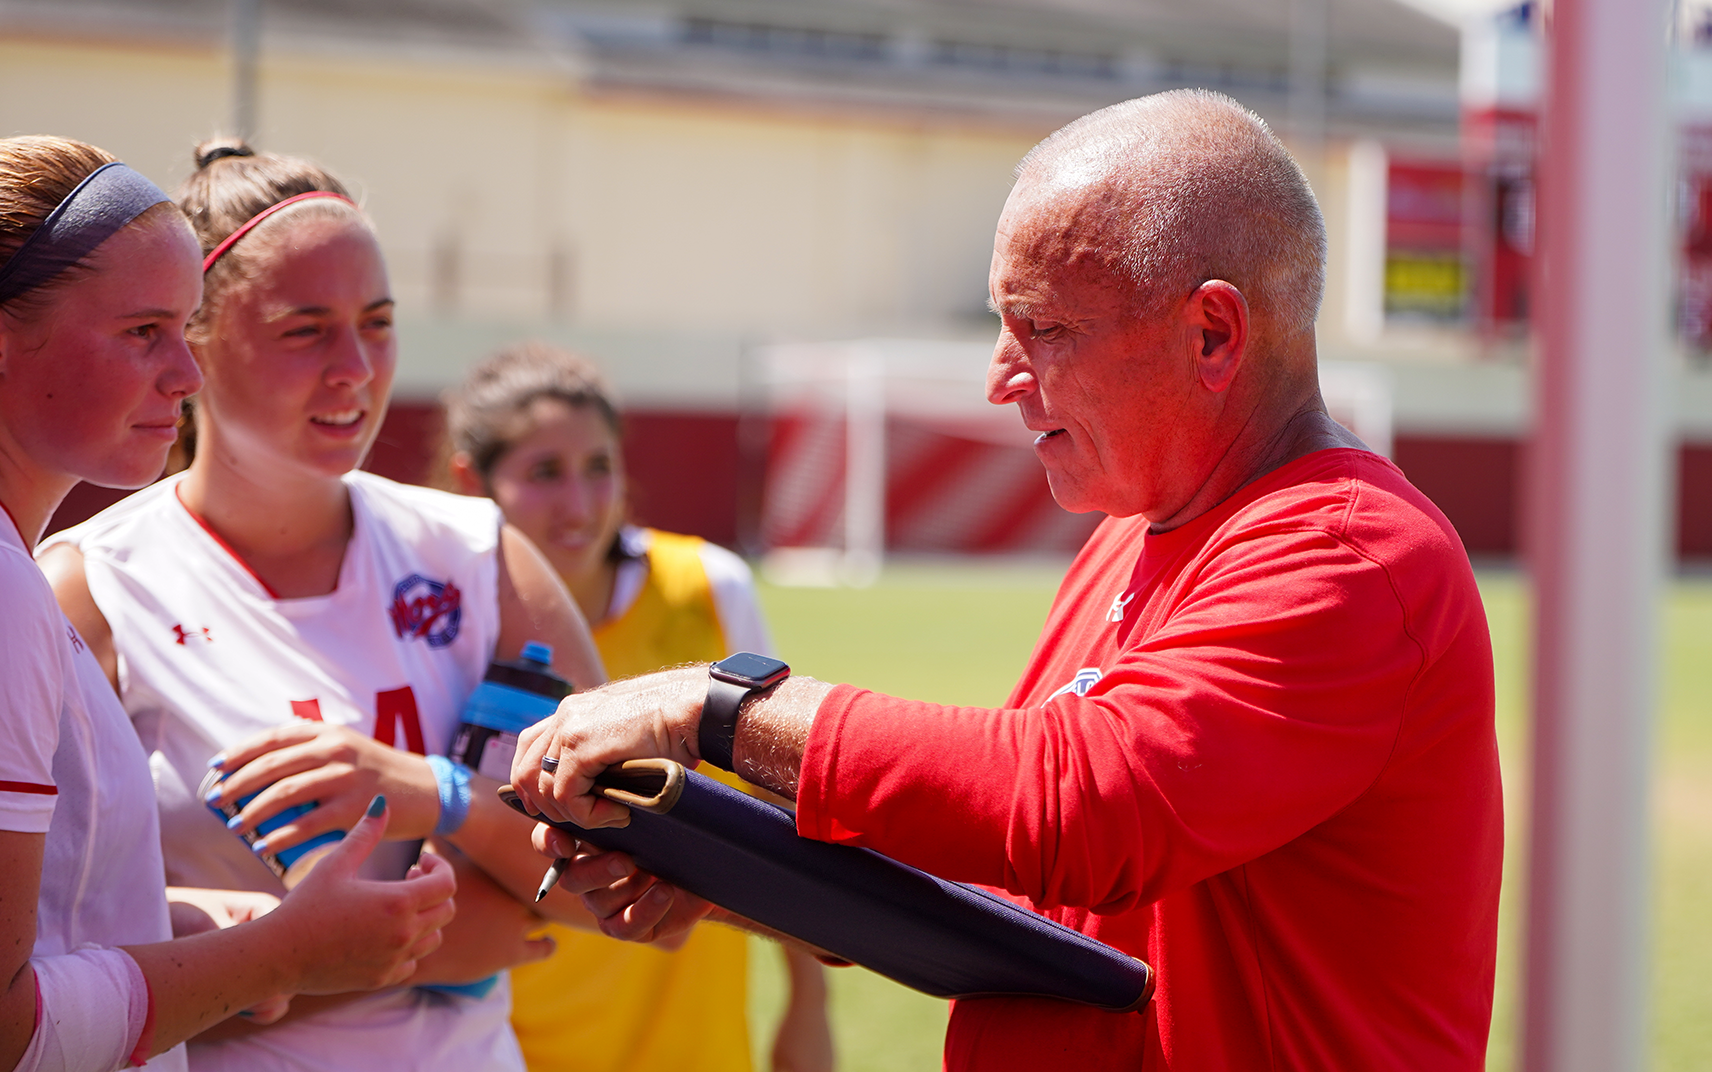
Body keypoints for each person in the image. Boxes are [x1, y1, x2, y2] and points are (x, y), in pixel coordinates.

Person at [509, 90, 1504, 1071]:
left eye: (1045, 328)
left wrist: (716, 706)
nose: (998, 376)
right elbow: (1019, 885)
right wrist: (735, 878)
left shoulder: (1350, 553)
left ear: (1212, 335)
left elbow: (1082, 809)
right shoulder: (1132, 532)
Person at [41, 140, 610, 1072]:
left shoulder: (480, 557)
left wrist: (439, 792)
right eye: (305, 329)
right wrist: (338, 954)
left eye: (377, 322)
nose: (355, 366)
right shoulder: (92, 589)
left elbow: (612, 891)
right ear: (198, 341)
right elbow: (43, 991)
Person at [0, 135, 457, 1071]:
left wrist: (187, 922)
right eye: (142, 333)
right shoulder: (22, 589)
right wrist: (276, 954)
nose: (187, 374)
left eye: (185, 325)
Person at [441, 342, 833, 1072]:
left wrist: (807, 1007)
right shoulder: (447, 622)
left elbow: (789, 813)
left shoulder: (707, 588)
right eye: (545, 473)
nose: (581, 503)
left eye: (599, 467)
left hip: (690, 1036)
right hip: (512, 1038)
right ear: (473, 481)